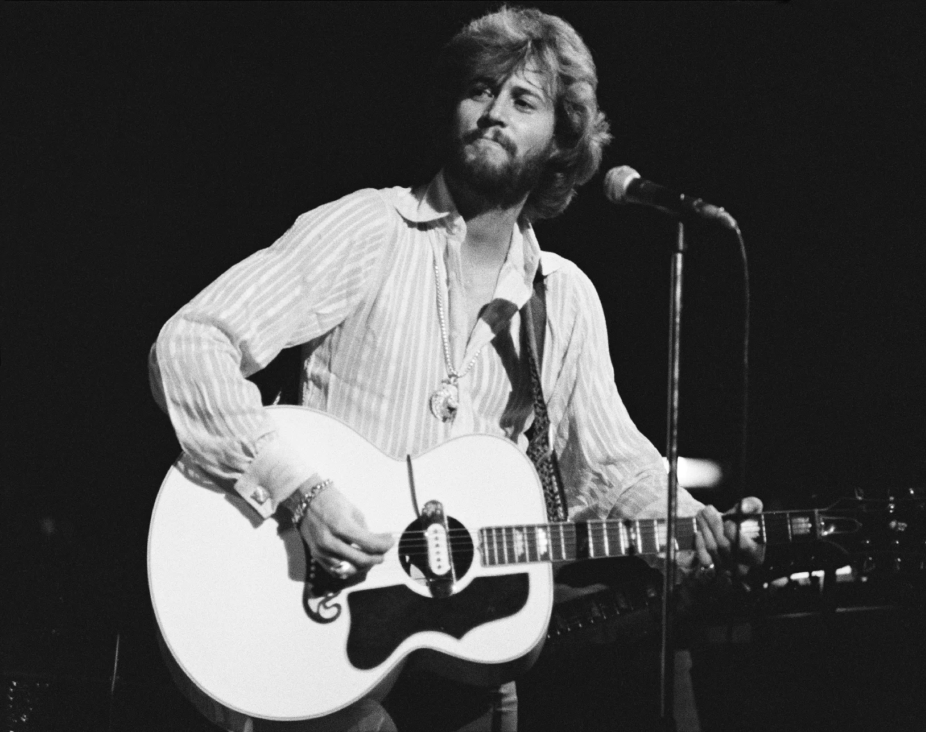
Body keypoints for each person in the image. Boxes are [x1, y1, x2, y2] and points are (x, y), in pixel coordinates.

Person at [149, 7, 762, 731]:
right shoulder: (369, 230)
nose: (493, 111)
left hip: (466, 645)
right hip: (311, 619)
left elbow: (609, 467)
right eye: (479, 90)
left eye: (522, 99)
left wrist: (694, 526)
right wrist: (299, 492)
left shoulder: (562, 298)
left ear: (561, 140)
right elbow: (192, 343)